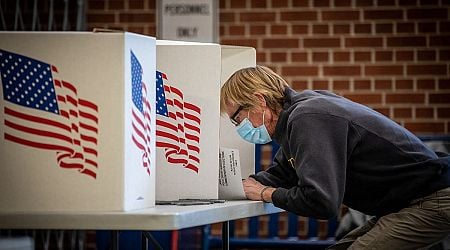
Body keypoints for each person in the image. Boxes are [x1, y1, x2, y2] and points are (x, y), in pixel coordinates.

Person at [220, 65, 450, 249]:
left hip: (431, 199)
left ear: (260, 100)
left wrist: (264, 193)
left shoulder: (307, 118)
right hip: (406, 202)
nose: (240, 126)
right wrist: (230, 188)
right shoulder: (296, 118)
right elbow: (281, 174)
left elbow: (321, 201)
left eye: (238, 117)